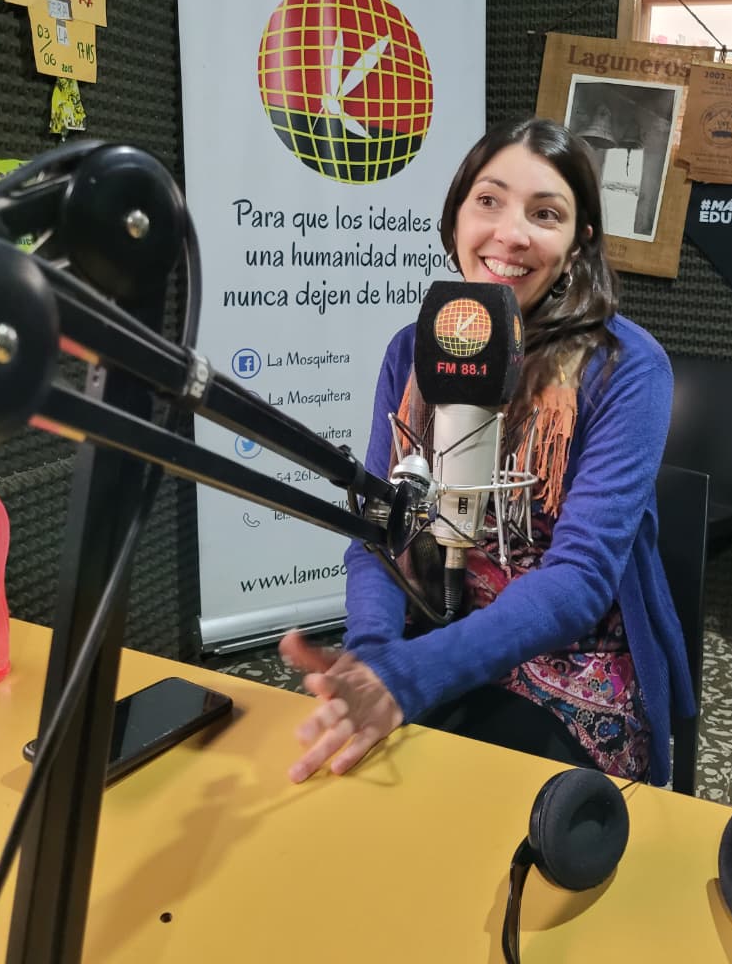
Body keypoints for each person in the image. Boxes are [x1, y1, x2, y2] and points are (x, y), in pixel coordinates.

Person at [280, 116, 694, 785]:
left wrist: (409, 675)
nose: (510, 233)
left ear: (578, 243)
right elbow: (378, 531)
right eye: (489, 201)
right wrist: (373, 654)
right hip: (432, 631)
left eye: (545, 213)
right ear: (457, 217)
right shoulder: (411, 350)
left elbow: (581, 578)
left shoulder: (628, 369)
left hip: (572, 664)